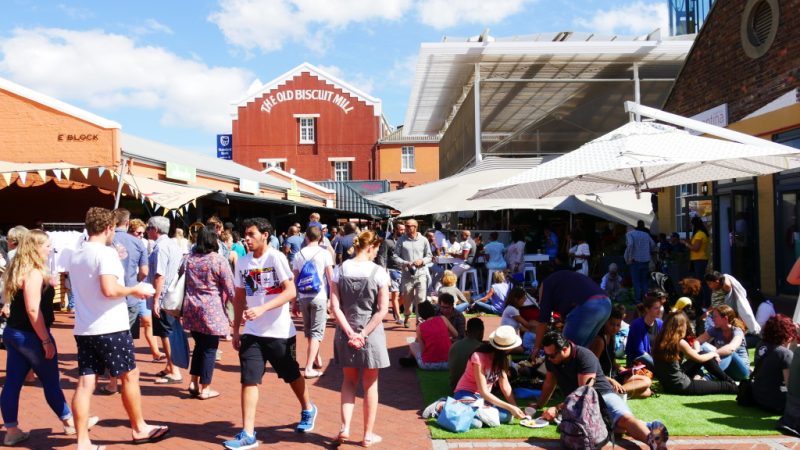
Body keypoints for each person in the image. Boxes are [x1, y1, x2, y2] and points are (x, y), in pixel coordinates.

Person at [69, 207, 169, 449]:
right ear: (108, 228)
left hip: (85, 327)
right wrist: (136, 289)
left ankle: (83, 440)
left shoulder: (76, 254)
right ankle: (139, 427)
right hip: (109, 326)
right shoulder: (105, 253)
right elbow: (110, 289)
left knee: (86, 382)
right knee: (129, 376)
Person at [224, 217, 317, 450]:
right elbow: (239, 297)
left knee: (291, 375)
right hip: (253, 333)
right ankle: (248, 433)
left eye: (251, 234)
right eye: (245, 234)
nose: (247, 239)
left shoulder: (276, 257)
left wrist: (263, 308)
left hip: (279, 332)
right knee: (249, 379)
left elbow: (290, 291)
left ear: (265, 235)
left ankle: (308, 408)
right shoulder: (243, 262)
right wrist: (236, 330)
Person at [0, 230, 94, 446]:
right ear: (35, 248)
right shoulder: (32, 272)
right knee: (51, 381)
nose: (50, 249)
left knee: (13, 383)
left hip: (15, 333)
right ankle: (70, 421)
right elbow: (33, 310)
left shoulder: (18, 268)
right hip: (30, 335)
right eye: (46, 246)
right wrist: (45, 340)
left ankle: (12, 430)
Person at [533, 331, 667, 450]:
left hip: (602, 395)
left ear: (565, 348)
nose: (548, 359)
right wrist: (539, 404)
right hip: (580, 408)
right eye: (547, 355)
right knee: (615, 430)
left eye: (552, 355)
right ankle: (650, 426)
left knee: (624, 420)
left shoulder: (583, 356)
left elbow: (584, 393)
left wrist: (557, 409)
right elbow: (549, 383)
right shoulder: (551, 359)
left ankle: (654, 443)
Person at [329, 230, 390, 447]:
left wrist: (349, 332)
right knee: (370, 383)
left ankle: (345, 427)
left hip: (345, 331)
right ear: (372, 247)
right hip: (371, 334)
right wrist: (363, 334)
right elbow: (383, 310)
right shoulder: (379, 272)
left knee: (348, 380)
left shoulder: (340, 269)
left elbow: (334, 306)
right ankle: (367, 434)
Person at [181, 227, 235, 400]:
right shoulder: (218, 260)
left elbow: (177, 279)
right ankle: (206, 387)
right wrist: (240, 309)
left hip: (191, 308)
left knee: (199, 346)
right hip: (211, 309)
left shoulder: (188, 259)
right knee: (210, 349)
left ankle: (193, 381)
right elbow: (230, 287)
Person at [104, 208, 150, 395]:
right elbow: (145, 272)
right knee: (126, 338)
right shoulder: (138, 243)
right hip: (129, 295)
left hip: (108, 295)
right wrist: (135, 281)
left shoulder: (106, 241)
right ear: (128, 221)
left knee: (110, 336)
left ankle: (112, 379)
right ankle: (125, 374)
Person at [451, 326, 526, 425]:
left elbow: (505, 386)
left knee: (506, 415)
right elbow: (483, 392)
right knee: (497, 417)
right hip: (466, 393)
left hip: (482, 399)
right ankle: (442, 406)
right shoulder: (478, 357)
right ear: (506, 349)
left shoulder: (502, 358)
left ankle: (470, 415)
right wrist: (510, 407)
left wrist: (514, 406)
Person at [531, 268, 612, 358]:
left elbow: (543, 322)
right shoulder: (563, 278)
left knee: (564, 351)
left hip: (588, 306)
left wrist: (536, 348)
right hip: (606, 304)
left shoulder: (546, 284)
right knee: (582, 351)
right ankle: (588, 371)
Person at [651, 311, 737, 395]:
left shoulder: (658, 339)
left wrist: (702, 352)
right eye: (685, 324)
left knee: (703, 353)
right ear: (681, 326)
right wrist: (714, 353)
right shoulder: (679, 342)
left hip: (667, 385)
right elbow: (699, 359)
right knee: (724, 386)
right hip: (681, 385)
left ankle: (729, 381)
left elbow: (695, 355)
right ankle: (734, 386)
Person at [292, 224, 334, 379]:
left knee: (310, 332)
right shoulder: (325, 254)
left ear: (306, 237)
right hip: (319, 296)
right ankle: (309, 368)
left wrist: (294, 301)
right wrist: (332, 298)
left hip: (303, 296)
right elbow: (330, 278)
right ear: (321, 238)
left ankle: (315, 357)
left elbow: (295, 280)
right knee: (317, 332)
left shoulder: (298, 255)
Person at [145, 216, 184, 384]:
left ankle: (174, 370)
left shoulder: (160, 247)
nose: (147, 231)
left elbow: (159, 275)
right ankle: (170, 366)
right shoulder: (174, 245)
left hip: (163, 296)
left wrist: (155, 300)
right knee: (166, 331)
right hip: (171, 295)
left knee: (166, 332)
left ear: (155, 229)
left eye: (148, 228)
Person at [590, 304, 653, 399]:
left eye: (618, 325)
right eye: (611, 324)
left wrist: (621, 368)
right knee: (645, 388)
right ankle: (614, 393)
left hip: (614, 375)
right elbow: (592, 370)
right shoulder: (600, 341)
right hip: (603, 380)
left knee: (647, 384)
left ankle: (617, 392)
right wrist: (611, 381)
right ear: (605, 322)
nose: (615, 328)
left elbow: (610, 361)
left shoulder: (612, 336)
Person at [392, 219, 432, 328]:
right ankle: (407, 316)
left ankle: (419, 321)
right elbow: (395, 256)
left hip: (421, 273)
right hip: (407, 274)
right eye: (406, 226)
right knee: (407, 299)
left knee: (421, 299)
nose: (407, 228)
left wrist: (422, 261)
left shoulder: (424, 240)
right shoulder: (401, 240)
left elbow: (429, 256)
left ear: (416, 227)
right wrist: (405, 263)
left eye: (410, 226)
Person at [752, 314, 796, 413]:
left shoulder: (761, 345)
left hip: (757, 395)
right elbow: (790, 385)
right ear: (788, 334)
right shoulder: (785, 354)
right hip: (776, 402)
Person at [696, 304, 751, 381]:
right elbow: (697, 341)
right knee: (702, 346)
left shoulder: (737, 331)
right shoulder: (715, 329)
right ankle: (698, 373)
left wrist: (713, 354)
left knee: (728, 352)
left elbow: (731, 348)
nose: (712, 319)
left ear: (725, 318)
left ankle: (707, 378)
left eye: (715, 316)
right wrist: (697, 354)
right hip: (725, 369)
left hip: (741, 372)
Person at [400, 301, 456, 370]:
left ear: (421, 314)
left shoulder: (420, 327)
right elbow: (456, 334)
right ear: (432, 309)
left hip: (428, 365)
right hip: (449, 363)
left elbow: (423, 350)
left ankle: (410, 358)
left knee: (413, 344)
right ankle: (412, 359)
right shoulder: (443, 318)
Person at [703, 271, 760, 336]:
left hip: (723, 315)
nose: (709, 286)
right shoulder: (716, 288)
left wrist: (724, 276)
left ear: (717, 281)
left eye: (710, 283)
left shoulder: (725, 286)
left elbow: (727, 283)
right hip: (716, 313)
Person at [625, 290, 665, 369]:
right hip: (638, 361)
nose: (659, 310)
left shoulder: (660, 323)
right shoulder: (637, 325)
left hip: (653, 359)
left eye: (659, 308)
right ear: (647, 309)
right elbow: (640, 351)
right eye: (656, 308)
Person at [448, 318, 485, 392]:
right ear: (480, 332)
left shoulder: (454, 345)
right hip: (472, 389)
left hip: (454, 386)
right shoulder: (482, 349)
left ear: (466, 332)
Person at [379, 222, 405, 324]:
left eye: (403, 230)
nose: (402, 232)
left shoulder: (405, 241)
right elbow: (382, 256)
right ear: (395, 230)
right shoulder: (388, 242)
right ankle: (398, 317)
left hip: (405, 270)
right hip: (392, 270)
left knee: (405, 295)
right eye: (401, 229)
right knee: (395, 294)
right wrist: (383, 270)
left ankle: (396, 307)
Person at [625, 220, 656, 304]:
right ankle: (645, 299)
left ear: (628, 229)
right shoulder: (646, 234)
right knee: (644, 281)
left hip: (635, 260)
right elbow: (653, 244)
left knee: (636, 281)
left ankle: (638, 300)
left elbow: (630, 244)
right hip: (646, 260)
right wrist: (648, 252)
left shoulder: (629, 234)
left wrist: (630, 257)